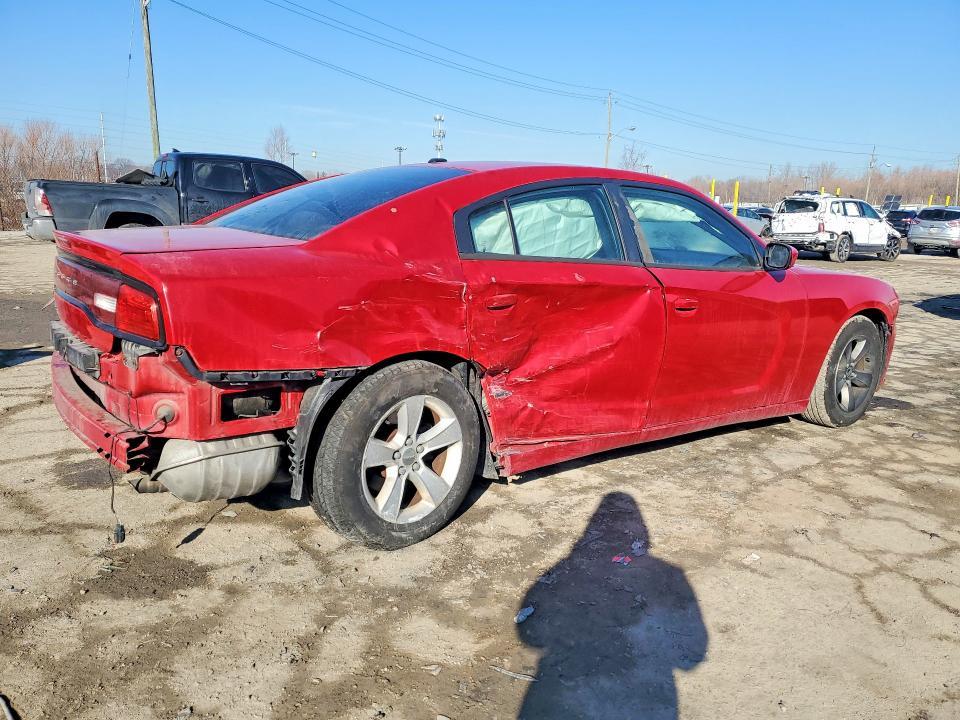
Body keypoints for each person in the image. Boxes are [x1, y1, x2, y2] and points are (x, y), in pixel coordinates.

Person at [517, 492, 707, 719]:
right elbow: (692, 655)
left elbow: (531, 636)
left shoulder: (566, 567)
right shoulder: (670, 574)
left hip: (563, 694)